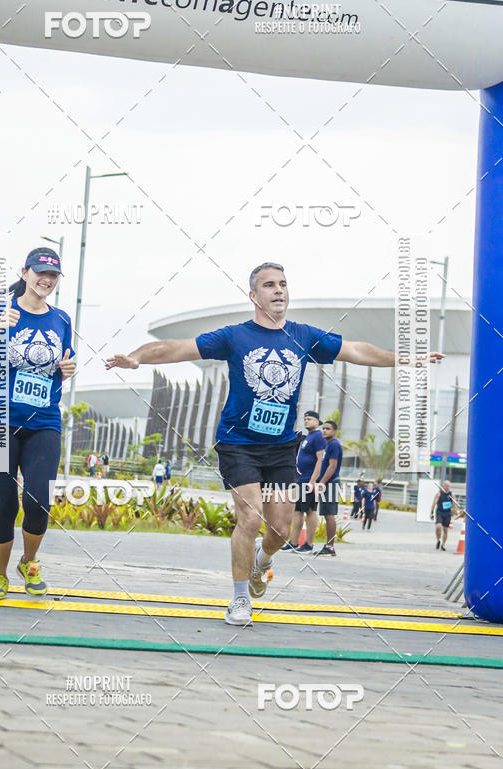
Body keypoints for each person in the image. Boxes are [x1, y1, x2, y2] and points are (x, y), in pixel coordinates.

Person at [106, 262, 442, 627]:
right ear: (254, 295)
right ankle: (238, 600)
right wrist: (137, 356)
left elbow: (356, 350)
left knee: (280, 529)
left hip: (282, 448)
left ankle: (262, 562)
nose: (278, 290)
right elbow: (177, 347)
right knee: (249, 518)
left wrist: (405, 360)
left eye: (283, 284)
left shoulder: (303, 335)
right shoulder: (234, 337)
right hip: (238, 443)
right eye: (269, 285)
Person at [0, 246, 75, 600]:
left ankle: (28, 562)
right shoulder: (1, 310)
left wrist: (68, 370)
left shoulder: (61, 320)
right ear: (25, 272)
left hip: (43, 421)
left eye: (53, 275)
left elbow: (61, 365)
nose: (46, 279)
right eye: (40, 272)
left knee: (39, 497)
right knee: (4, 503)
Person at [281, 410, 325, 553]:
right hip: (301, 479)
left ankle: (309, 544)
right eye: (305, 419)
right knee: (297, 510)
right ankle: (293, 543)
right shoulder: (308, 437)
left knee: (311, 511)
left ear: (317, 421)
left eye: (310, 419)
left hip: (310, 480)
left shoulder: (318, 436)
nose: (306, 421)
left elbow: (321, 460)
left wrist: (313, 480)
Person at [315, 420, 343, 555]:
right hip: (327, 483)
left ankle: (330, 546)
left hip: (331, 483)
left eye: (328, 428)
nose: (324, 431)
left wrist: (322, 483)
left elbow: (332, 466)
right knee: (327, 515)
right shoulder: (328, 445)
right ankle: (328, 545)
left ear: (334, 431)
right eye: (323, 428)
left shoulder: (334, 445)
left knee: (329, 515)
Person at [430, 479, 459, 551]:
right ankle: (438, 540)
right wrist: (432, 512)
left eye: (449, 486)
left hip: (447, 513)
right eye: (446, 486)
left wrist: (456, 512)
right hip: (440, 512)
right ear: (443, 486)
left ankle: (443, 544)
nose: (447, 487)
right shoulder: (439, 494)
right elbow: (434, 503)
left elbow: (454, 504)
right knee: (438, 527)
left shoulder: (452, 494)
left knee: (445, 530)